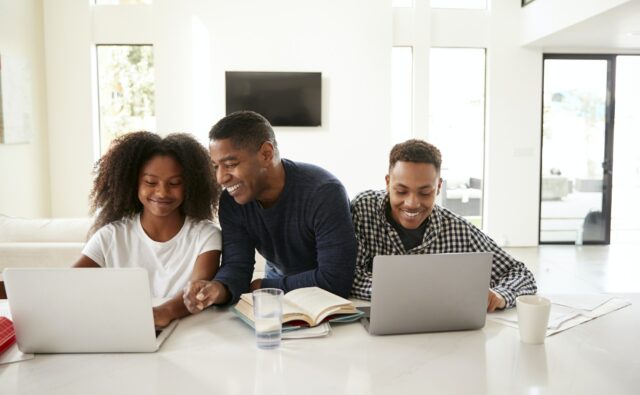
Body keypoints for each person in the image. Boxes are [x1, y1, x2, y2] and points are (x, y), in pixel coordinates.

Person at [182, 111, 357, 312]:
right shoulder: (232, 202)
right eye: (216, 167)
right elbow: (237, 266)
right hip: (277, 295)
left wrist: (263, 287)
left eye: (230, 164)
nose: (221, 178)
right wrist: (217, 288)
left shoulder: (323, 192)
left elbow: (335, 279)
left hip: (326, 301)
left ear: (266, 154)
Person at [350, 139, 537, 312]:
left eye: (424, 193)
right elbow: (349, 275)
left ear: (438, 187)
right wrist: (417, 292)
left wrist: (499, 295)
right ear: (388, 182)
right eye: (401, 191)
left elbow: (520, 274)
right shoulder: (363, 209)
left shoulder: (458, 230)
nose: (412, 203)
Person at [74, 131, 222, 328]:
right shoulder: (110, 237)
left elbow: (197, 293)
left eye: (175, 183)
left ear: (190, 186)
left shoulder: (206, 235)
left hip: (188, 334)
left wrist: (165, 312)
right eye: (151, 182)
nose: (162, 192)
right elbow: (69, 287)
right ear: (133, 183)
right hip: (123, 329)